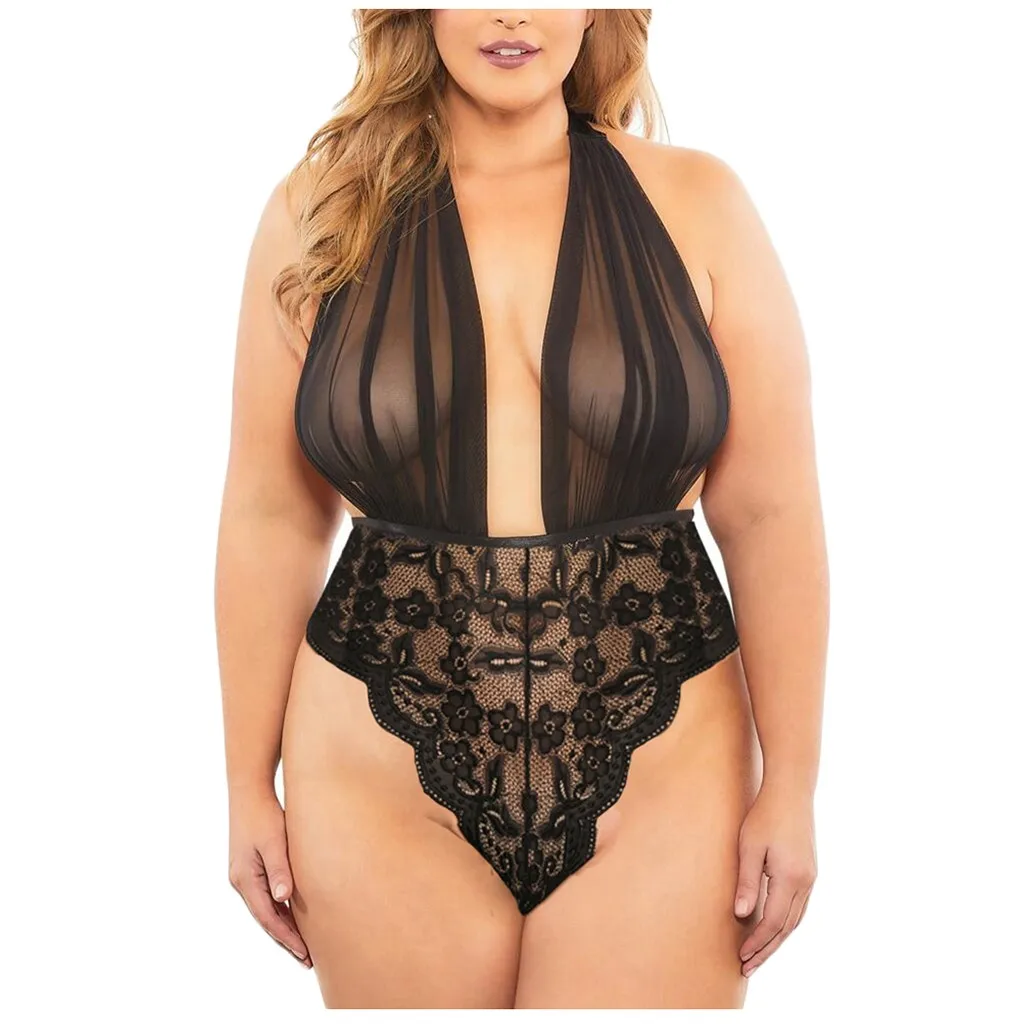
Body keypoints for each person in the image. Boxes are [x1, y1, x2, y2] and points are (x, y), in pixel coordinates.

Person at [215, 7, 828, 1010]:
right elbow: (270, 514)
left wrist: (793, 785)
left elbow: (770, 513)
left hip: (665, 762)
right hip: (376, 763)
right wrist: (245, 781)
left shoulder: (698, 203)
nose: (511, 12)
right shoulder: (320, 211)